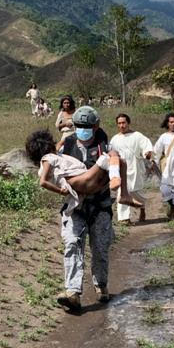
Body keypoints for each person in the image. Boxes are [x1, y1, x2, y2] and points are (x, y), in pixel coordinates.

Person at [52, 106, 115, 312]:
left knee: (100, 248)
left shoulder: (106, 146)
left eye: (86, 126)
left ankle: (101, 284)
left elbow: (115, 164)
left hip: (100, 206)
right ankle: (72, 292)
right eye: (79, 126)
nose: (83, 130)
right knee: (72, 244)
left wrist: (115, 180)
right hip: (75, 206)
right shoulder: (67, 145)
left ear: (96, 126)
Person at [24, 128, 144, 217]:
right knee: (109, 157)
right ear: (46, 146)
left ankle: (123, 195)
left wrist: (65, 140)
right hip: (82, 179)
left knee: (121, 161)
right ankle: (115, 179)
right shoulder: (47, 158)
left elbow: (58, 146)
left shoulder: (55, 156)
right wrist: (60, 191)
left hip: (85, 180)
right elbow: (42, 182)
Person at [108, 113, 153, 224]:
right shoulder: (115, 139)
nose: (122, 125)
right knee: (122, 192)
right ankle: (124, 219)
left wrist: (147, 153)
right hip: (121, 169)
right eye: (119, 123)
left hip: (136, 167)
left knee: (135, 191)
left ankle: (142, 206)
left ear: (128, 123)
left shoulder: (137, 135)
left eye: (124, 123)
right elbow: (111, 152)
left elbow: (146, 147)